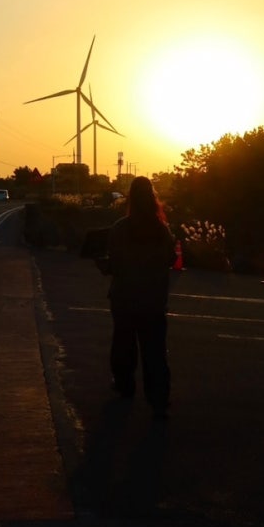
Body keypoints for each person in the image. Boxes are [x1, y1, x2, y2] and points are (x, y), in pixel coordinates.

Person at [105, 175, 176, 418]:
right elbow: (170, 259)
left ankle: (125, 386)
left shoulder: (120, 229)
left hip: (124, 299)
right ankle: (158, 398)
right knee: (154, 351)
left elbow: (113, 264)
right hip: (153, 300)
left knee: (123, 345)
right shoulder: (162, 230)